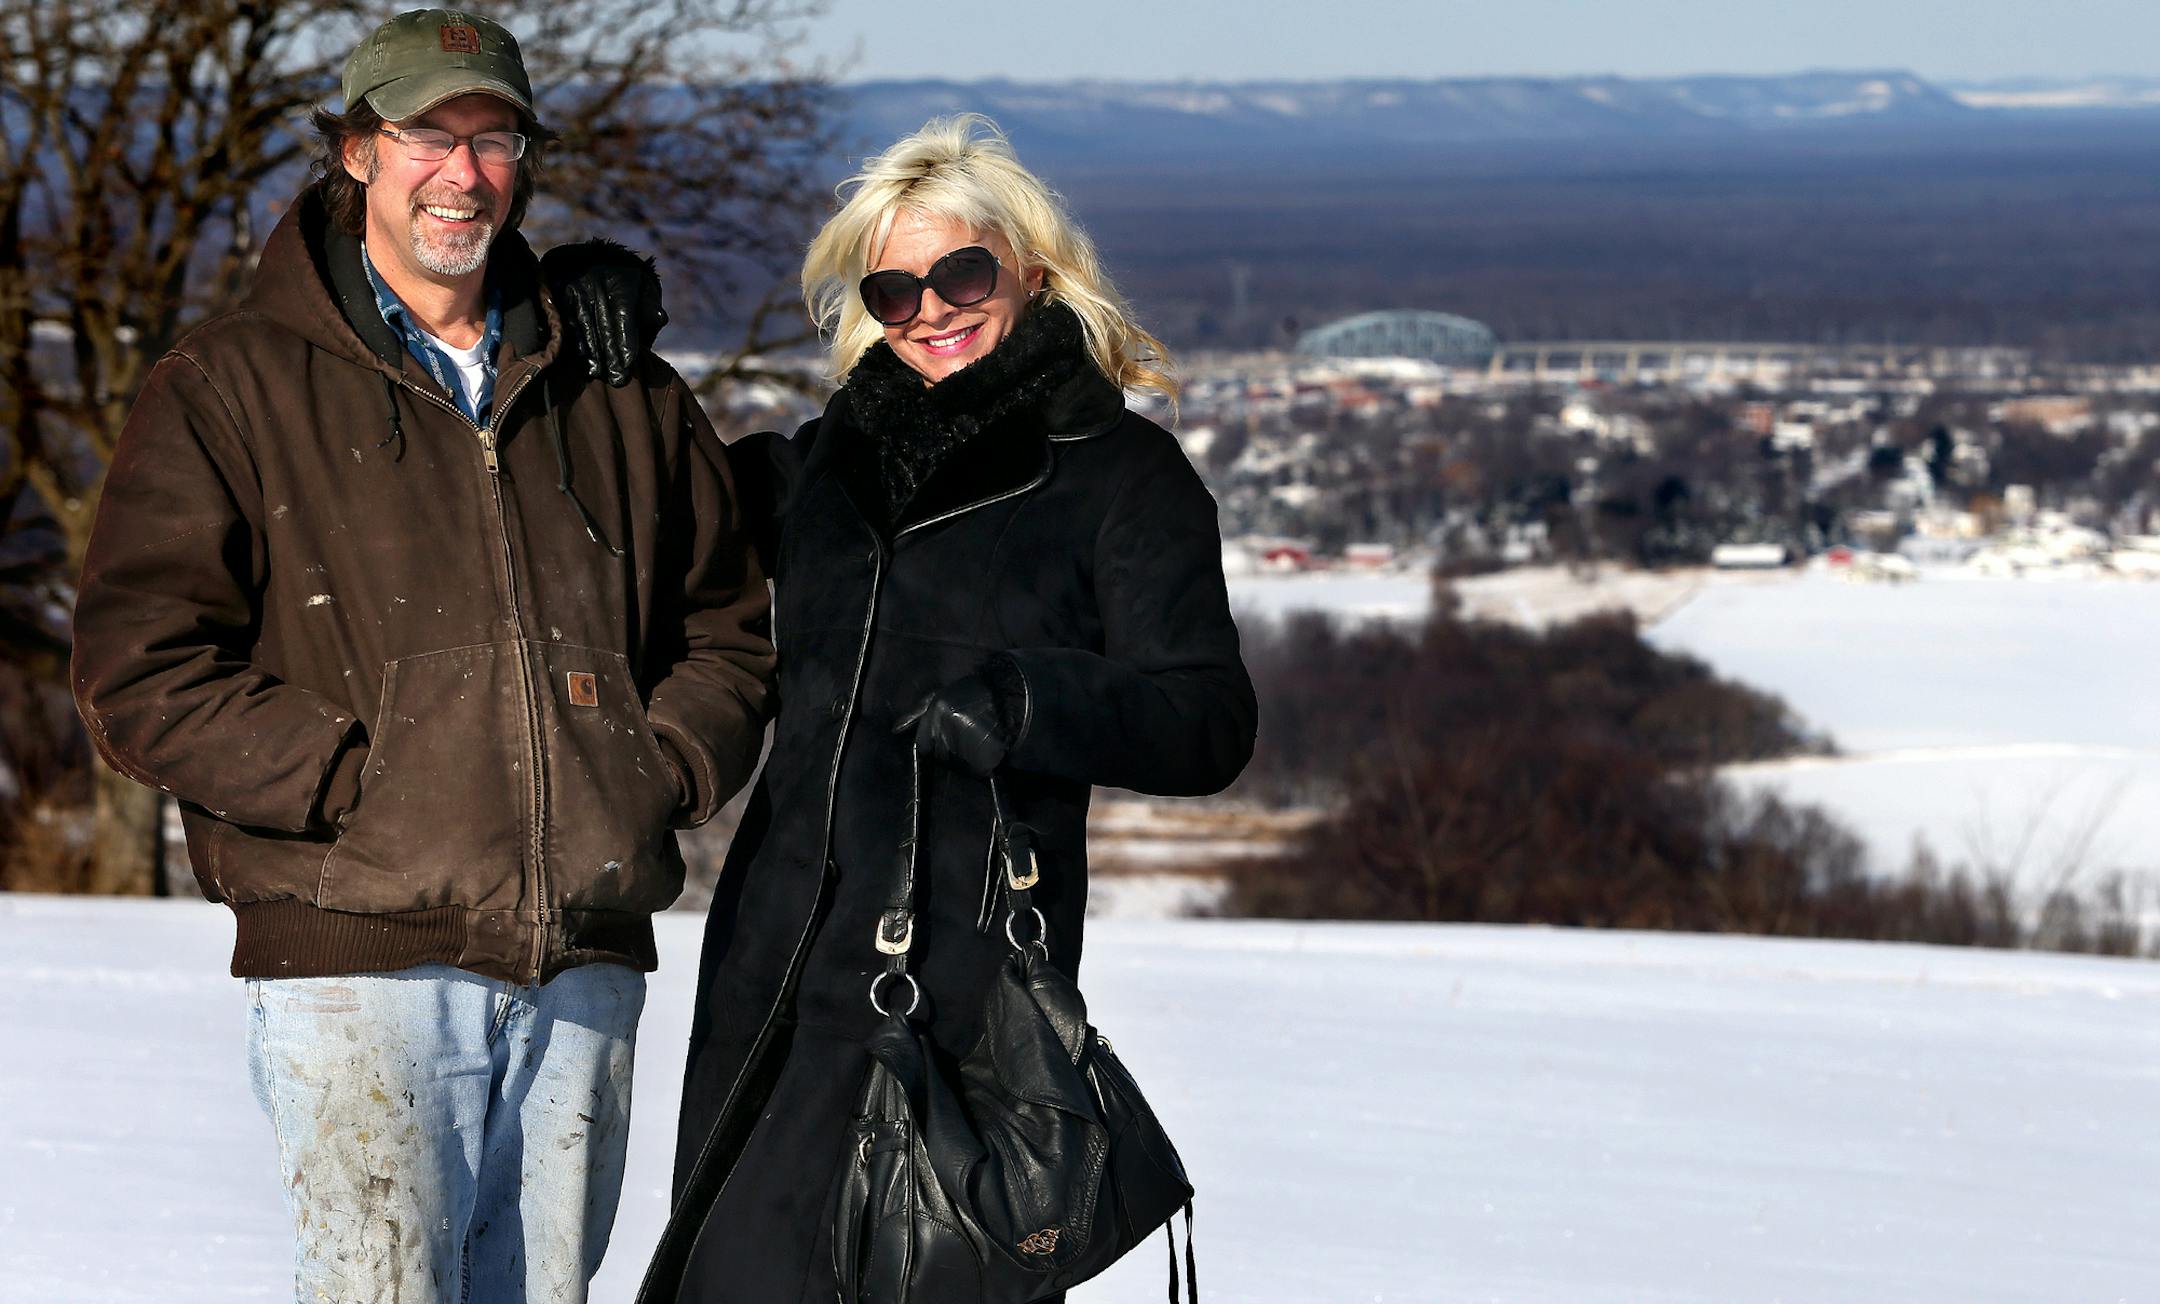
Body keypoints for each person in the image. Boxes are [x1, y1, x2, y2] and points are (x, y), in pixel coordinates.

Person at [69, 9, 773, 1301]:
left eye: (493, 138)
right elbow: (142, 667)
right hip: (359, 955)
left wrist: (649, 768)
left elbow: (725, 628)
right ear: (355, 151)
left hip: (580, 952)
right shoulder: (231, 384)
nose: (462, 173)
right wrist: (361, 788)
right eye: (424, 136)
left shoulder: (620, 389)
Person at [635, 114, 1257, 1303]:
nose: (932, 309)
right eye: (895, 286)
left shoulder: (1120, 478)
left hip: (957, 994)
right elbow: (652, 506)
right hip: (771, 965)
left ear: (1029, 266)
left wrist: (1032, 697)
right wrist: (591, 341)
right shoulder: (825, 466)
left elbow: (1209, 717)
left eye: (961, 272)